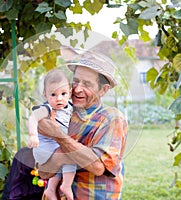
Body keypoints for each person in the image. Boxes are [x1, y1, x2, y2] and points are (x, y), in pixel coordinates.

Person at [37, 50, 128, 200]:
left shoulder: (112, 118)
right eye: (76, 81)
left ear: (103, 90)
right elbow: (43, 171)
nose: (78, 89)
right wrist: (76, 155)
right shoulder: (61, 113)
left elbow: (97, 167)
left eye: (87, 84)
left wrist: (59, 138)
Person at [27, 69, 75, 200]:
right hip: (44, 147)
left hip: (53, 147)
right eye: (53, 94)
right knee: (71, 155)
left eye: (63, 93)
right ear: (45, 94)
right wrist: (33, 135)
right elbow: (33, 118)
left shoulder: (70, 107)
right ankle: (66, 185)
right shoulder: (47, 108)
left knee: (62, 163)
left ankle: (51, 190)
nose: (59, 98)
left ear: (70, 92)